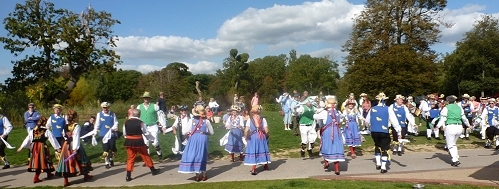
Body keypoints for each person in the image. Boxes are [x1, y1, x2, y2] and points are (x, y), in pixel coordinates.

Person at [55, 109, 93, 187]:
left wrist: (67, 140)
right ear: (75, 117)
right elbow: (76, 137)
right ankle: (85, 176)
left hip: (66, 145)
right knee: (82, 159)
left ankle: (66, 180)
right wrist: (75, 148)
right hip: (74, 145)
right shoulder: (76, 126)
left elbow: (63, 134)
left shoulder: (65, 126)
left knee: (66, 163)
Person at [17, 117, 61, 183]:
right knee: (42, 161)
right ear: (45, 123)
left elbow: (28, 139)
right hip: (42, 147)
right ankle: (36, 177)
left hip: (35, 147)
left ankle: (49, 173)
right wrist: (57, 148)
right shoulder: (46, 130)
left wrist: (21, 146)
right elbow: (52, 139)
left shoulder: (33, 130)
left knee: (44, 160)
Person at [365, 92, 400, 173]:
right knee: (384, 148)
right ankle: (383, 167)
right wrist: (398, 130)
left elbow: (367, 121)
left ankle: (378, 163)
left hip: (374, 131)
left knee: (377, 145)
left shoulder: (372, 109)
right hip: (384, 131)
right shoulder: (388, 109)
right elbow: (394, 120)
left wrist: (370, 127)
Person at [123, 109, 161, 182]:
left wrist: (129, 138)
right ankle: (153, 170)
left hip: (129, 141)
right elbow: (145, 133)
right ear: (139, 115)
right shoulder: (141, 123)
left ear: (132, 114)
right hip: (138, 141)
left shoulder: (126, 122)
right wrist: (151, 139)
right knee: (145, 156)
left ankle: (128, 176)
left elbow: (125, 133)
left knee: (130, 158)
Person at [178, 105, 214, 181]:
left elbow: (184, 131)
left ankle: (197, 175)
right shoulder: (206, 121)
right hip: (203, 138)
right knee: (202, 155)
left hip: (194, 138)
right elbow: (212, 132)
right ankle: (204, 175)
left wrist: (190, 133)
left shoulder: (192, 120)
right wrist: (205, 133)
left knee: (194, 155)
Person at [436, 95, 471, 167]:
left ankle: (455, 160)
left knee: (450, 145)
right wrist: (468, 125)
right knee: (453, 144)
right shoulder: (459, 108)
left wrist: (438, 126)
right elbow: (464, 118)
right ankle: (456, 156)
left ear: (448, 101)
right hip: (459, 127)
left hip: (450, 126)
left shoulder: (446, 108)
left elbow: (443, 118)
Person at [320, 97, 345, 175]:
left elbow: (315, 116)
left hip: (328, 131)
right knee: (336, 147)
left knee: (326, 146)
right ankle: (337, 169)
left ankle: (326, 162)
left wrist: (321, 109)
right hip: (337, 131)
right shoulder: (338, 112)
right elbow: (342, 118)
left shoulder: (324, 112)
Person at [244, 105, 271, 175]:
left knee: (254, 151)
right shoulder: (263, 119)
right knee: (263, 150)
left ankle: (253, 169)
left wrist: (246, 137)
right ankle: (266, 165)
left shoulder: (250, 120)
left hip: (253, 137)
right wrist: (267, 136)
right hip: (261, 136)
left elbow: (246, 130)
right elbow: (267, 131)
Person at [137, 91, 163, 161]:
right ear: (143, 99)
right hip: (144, 126)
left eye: (147, 98)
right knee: (146, 143)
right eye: (145, 98)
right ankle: (147, 159)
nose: (146, 99)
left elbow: (160, 115)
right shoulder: (139, 106)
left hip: (153, 126)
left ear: (149, 98)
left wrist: (161, 124)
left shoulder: (155, 106)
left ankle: (159, 153)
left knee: (155, 142)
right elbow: (137, 116)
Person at [92, 102, 119, 169]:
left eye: (106, 107)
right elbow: (97, 124)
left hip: (111, 134)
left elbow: (116, 123)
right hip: (103, 134)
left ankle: (111, 159)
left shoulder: (112, 114)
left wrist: (112, 129)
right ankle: (106, 162)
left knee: (112, 148)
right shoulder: (99, 114)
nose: (105, 109)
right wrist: (95, 132)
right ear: (102, 108)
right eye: (104, 108)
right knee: (106, 149)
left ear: (108, 107)